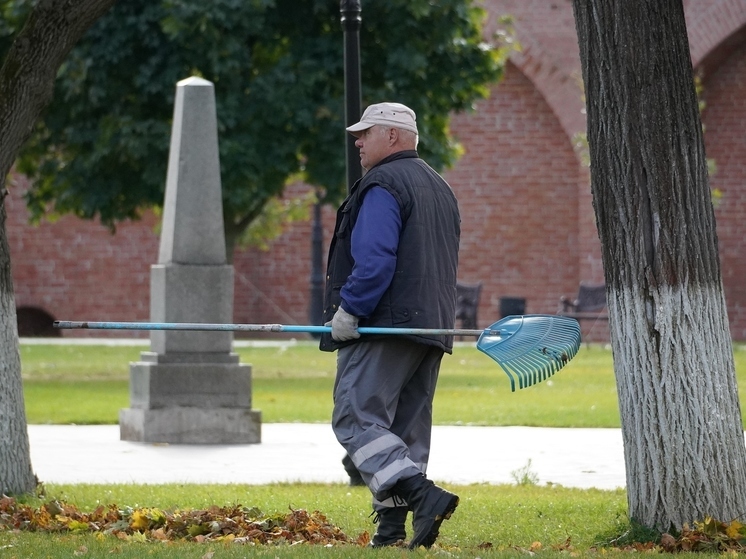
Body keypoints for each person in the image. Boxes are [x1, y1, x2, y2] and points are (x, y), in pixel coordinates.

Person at [319, 102, 461, 549]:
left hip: (384, 327)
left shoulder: (382, 184)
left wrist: (349, 312)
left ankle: (423, 496)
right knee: (404, 431)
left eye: (366, 134)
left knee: (357, 418)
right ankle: (392, 531)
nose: (358, 142)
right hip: (431, 328)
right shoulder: (440, 187)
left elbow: (375, 261)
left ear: (393, 137)